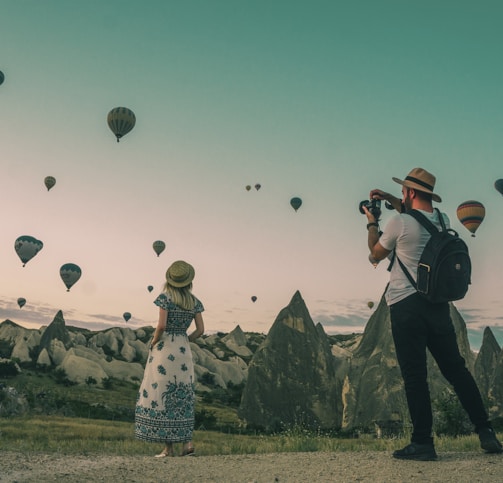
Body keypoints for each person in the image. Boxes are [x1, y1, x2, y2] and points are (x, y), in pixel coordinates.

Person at [363, 167, 502, 461]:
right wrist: (389, 197)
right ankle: (486, 431)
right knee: (457, 370)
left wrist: (372, 223)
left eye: (403, 191)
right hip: (439, 306)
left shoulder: (398, 223)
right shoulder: (442, 220)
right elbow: (416, 215)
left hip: (405, 305)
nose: (401, 195)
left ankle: (423, 443)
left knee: (415, 376)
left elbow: (375, 254)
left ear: (411, 192)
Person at [135, 260, 205, 457]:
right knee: (184, 393)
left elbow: (161, 326)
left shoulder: (165, 298)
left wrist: (153, 342)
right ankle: (187, 444)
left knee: (164, 392)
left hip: (165, 350)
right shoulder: (195, 301)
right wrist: (185, 340)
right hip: (183, 351)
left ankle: (168, 449)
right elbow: (200, 330)